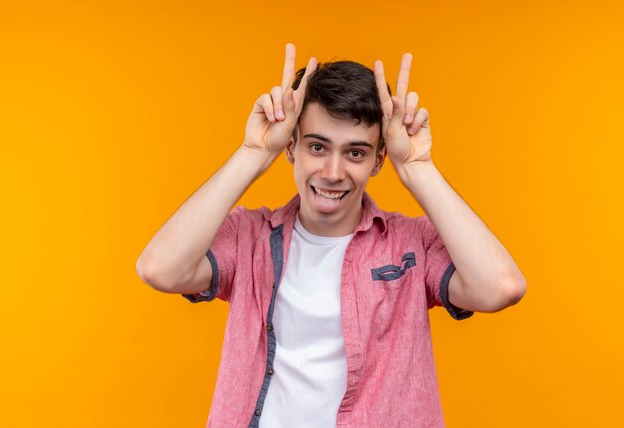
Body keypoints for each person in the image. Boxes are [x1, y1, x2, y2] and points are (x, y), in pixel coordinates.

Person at [136, 43, 526, 427]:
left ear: (378, 160)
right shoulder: (249, 238)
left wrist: (417, 167)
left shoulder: (410, 245)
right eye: (318, 147)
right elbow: (160, 269)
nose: (333, 171)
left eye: (355, 153)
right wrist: (253, 152)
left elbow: (500, 288)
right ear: (291, 148)